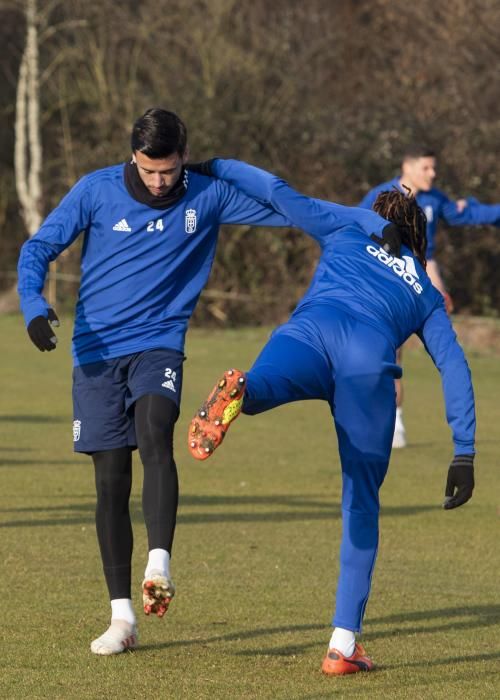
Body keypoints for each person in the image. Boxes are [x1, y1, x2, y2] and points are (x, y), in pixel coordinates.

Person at [16, 107, 313, 656]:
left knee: (156, 429)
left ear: (184, 158)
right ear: (133, 157)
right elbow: (37, 249)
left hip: (160, 343)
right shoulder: (95, 191)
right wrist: (34, 305)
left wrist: (366, 221)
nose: (159, 182)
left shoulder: (208, 193)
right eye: (149, 171)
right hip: (97, 352)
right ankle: (121, 618)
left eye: (169, 171)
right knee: (110, 481)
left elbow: (290, 208)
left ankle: (159, 562)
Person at [187, 158, 476, 675]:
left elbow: (277, 190)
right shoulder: (424, 291)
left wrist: (213, 165)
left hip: (309, 333)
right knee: (360, 503)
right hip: (367, 365)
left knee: (263, 384)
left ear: (374, 214)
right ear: (418, 236)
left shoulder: (346, 225)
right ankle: (343, 646)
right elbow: (453, 363)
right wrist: (464, 450)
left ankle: (243, 394)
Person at [359, 145, 500, 448]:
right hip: (384, 285)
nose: (433, 174)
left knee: (443, 354)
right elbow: (354, 228)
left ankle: (396, 424)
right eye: (426, 168)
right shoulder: (380, 196)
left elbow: (467, 215)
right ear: (406, 167)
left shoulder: (434, 199)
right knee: (386, 353)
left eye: (434, 168)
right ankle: (386, 420)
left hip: (422, 286)